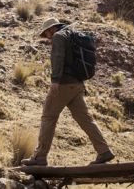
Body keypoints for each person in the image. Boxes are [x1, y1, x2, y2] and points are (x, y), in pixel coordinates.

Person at [21, 17, 115, 167]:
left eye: (46, 34)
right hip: (77, 84)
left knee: (48, 117)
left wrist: (55, 81)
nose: (47, 38)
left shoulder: (59, 36)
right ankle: (104, 151)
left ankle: (39, 157)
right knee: (85, 119)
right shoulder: (72, 34)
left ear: (51, 29)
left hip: (64, 84)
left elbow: (58, 58)